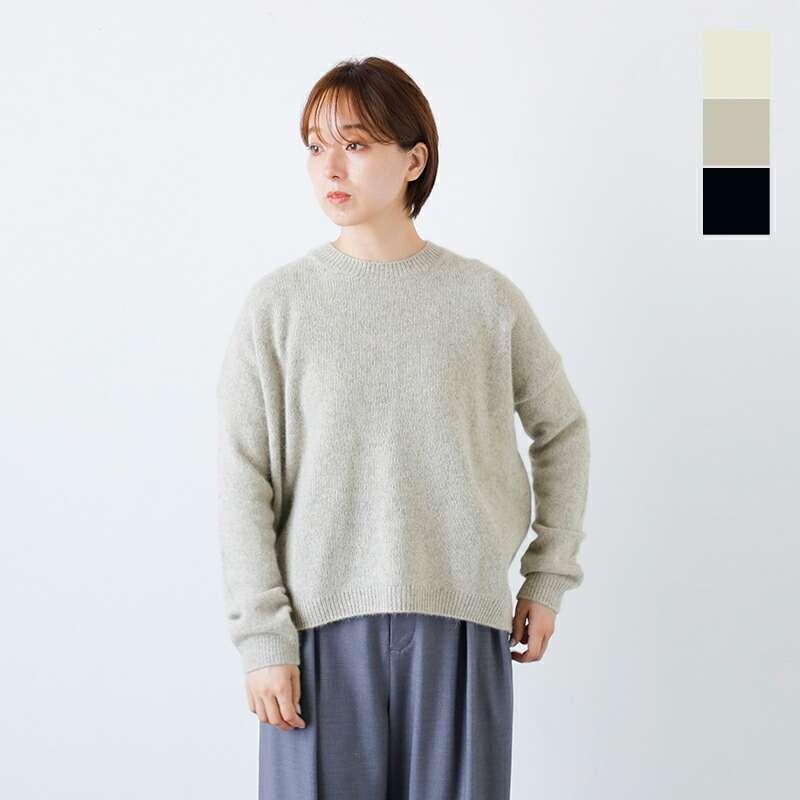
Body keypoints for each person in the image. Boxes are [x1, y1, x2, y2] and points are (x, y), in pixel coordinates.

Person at [216, 56, 591, 800]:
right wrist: (261, 638)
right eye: (316, 146)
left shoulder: (485, 300)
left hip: (459, 624)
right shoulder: (277, 307)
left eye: (355, 144)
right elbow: (242, 478)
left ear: (414, 160)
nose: (331, 167)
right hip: (315, 636)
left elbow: (562, 431)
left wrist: (547, 577)